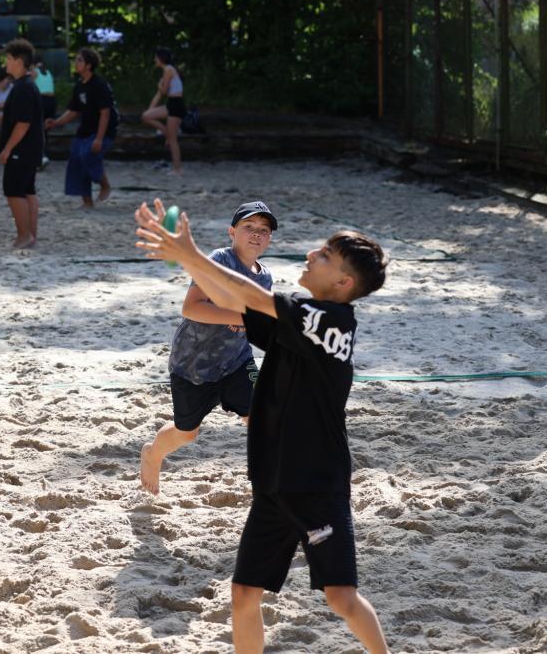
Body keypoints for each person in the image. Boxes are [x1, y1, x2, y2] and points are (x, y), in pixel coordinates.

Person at [134, 199, 391, 654]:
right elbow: (236, 302)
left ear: (343, 283)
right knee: (244, 594)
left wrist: (188, 253)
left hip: (315, 483)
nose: (311, 254)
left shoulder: (329, 322)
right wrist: (192, 262)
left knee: (341, 597)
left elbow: (251, 298)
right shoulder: (302, 315)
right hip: (274, 483)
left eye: (325, 256)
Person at [140, 202, 277, 495]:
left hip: (237, 361)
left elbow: (257, 319)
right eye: (248, 227)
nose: (256, 233)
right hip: (193, 365)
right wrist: (244, 318)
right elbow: (191, 308)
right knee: (186, 433)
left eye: (263, 230)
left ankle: (272, 483)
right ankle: (153, 454)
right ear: (232, 232)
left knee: (262, 418)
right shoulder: (219, 260)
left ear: (270, 238)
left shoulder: (265, 276)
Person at [45, 47, 120, 208]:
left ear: (88, 65)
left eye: (79, 60)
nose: (76, 63)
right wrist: (56, 122)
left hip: (104, 131)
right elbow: (73, 111)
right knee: (76, 160)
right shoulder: (79, 86)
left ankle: (104, 184)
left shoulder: (99, 85)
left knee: (87, 155)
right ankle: (87, 202)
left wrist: (99, 138)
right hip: (85, 130)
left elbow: (105, 113)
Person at [0, 38, 43, 249]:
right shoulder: (27, 86)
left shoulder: (23, 88)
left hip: (21, 150)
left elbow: (23, 123)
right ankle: (30, 236)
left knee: (14, 191)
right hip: (31, 149)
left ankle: (24, 236)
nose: (5, 63)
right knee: (28, 191)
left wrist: (7, 149)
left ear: (18, 61)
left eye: (8, 59)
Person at [141, 48, 185, 174]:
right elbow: (159, 95)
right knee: (146, 116)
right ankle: (166, 133)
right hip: (171, 103)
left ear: (161, 58)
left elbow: (163, 91)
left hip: (176, 105)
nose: (155, 60)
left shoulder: (168, 69)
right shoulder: (167, 71)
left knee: (173, 140)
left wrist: (159, 85)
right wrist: (149, 110)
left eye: (156, 57)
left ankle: (177, 169)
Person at [31, 59, 55, 166]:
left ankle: (41, 156)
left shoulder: (34, 71)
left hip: (41, 100)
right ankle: (44, 154)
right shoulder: (48, 72)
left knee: (37, 129)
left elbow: (28, 85)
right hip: (51, 101)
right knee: (44, 130)